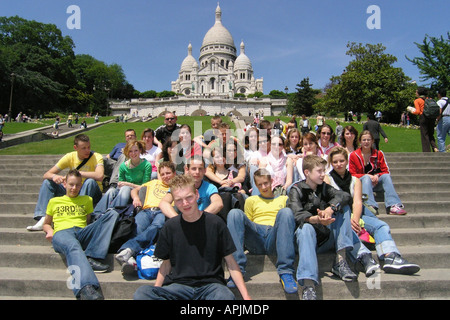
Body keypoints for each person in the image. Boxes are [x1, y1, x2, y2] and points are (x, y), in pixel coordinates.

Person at [133, 174, 251, 300]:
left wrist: (246, 296)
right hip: (178, 286)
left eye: (189, 197)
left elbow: (231, 263)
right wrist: (157, 289)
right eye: (178, 200)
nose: (185, 203)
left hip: (211, 287)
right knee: (142, 293)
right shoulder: (170, 227)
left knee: (225, 296)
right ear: (173, 200)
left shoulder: (216, 223)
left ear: (197, 194)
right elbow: (165, 265)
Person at [287, 155, 378, 300]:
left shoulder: (324, 187)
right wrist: (315, 219)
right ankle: (308, 285)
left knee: (343, 208)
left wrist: (330, 209)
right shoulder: (296, 190)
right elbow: (295, 214)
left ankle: (340, 262)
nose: (324, 174)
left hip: (325, 238)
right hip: (304, 241)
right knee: (306, 228)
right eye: (319, 171)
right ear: (307, 172)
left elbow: (344, 196)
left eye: (324, 171)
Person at [326, 147, 420, 275]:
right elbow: (330, 202)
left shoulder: (355, 180)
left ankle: (390, 256)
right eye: (335, 162)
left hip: (357, 214)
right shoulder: (328, 179)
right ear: (331, 163)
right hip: (339, 218)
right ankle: (364, 257)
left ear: (346, 161)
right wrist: (349, 220)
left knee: (381, 225)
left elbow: (358, 201)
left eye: (341, 161)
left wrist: (355, 219)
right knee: (347, 229)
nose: (339, 164)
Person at [42, 170, 120, 300]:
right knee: (73, 245)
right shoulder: (54, 201)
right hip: (62, 233)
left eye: (78, 185)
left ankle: (91, 255)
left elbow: (88, 221)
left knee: (113, 214)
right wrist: (50, 231)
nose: (74, 188)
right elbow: (46, 223)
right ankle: (86, 287)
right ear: (65, 183)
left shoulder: (87, 199)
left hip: (81, 231)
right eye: (71, 184)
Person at [227, 168, 297, 294]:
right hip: (256, 237)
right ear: (256, 186)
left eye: (266, 183)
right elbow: (247, 224)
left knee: (286, 212)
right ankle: (236, 270)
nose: (263, 187)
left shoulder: (283, 199)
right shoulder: (251, 200)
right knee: (235, 213)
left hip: (274, 237)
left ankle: (286, 272)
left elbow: (286, 225)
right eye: (259, 185)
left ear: (272, 181)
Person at [27, 134, 104, 231]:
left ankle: (78, 213)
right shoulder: (69, 156)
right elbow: (46, 174)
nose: (87, 150)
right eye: (83, 148)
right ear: (75, 148)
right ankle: (43, 218)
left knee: (90, 182)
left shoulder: (96, 156)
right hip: (72, 189)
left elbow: (100, 175)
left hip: (90, 190)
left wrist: (78, 174)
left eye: (88, 147)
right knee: (48, 182)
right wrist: (55, 177)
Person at [115, 161, 176, 275]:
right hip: (146, 211)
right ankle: (130, 256)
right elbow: (134, 190)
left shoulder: (177, 186)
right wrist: (136, 198)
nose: (165, 176)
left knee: (156, 227)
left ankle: (127, 252)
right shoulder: (153, 183)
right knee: (137, 229)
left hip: (162, 211)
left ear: (174, 173)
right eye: (162, 174)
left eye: (168, 173)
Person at [349, 130, 407, 215]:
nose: (366, 142)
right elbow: (352, 174)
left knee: (386, 176)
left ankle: (393, 205)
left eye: (368, 140)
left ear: (372, 141)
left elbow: (385, 171)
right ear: (360, 141)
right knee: (366, 178)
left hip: (376, 182)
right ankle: (370, 206)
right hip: (361, 184)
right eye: (364, 140)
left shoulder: (378, 154)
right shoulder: (354, 155)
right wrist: (367, 176)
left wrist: (377, 175)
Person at [93, 140, 152, 216]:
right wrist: (123, 184)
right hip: (123, 193)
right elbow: (120, 184)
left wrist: (128, 184)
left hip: (138, 192)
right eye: (130, 151)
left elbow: (144, 187)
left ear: (140, 150)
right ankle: (97, 213)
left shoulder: (146, 165)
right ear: (127, 152)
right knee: (111, 191)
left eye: (136, 151)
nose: (133, 153)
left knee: (125, 188)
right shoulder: (123, 166)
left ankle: (114, 212)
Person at [159, 156, 223, 219]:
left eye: (200, 169)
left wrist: (199, 217)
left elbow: (218, 203)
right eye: (194, 169)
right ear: (187, 169)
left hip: (202, 222)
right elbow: (163, 203)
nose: (197, 172)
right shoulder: (178, 186)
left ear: (205, 171)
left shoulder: (209, 187)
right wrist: (177, 219)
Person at [407, 87, 439, 152]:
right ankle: (435, 147)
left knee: (424, 135)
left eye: (416, 92)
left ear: (419, 93)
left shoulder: (417, 100)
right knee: (431, 134)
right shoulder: (429, 99)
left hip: (423, 117)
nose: (415, 93)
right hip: (431, 118)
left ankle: (426, 152)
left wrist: (411, 110)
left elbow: (418, 111)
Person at [436, 88, 449, 152]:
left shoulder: (440, 102)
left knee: (440, 136)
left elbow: (439, 112)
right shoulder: (449, 101)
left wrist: (437, 119)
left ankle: (442, 153)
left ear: (439, 94)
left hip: (444, 118)